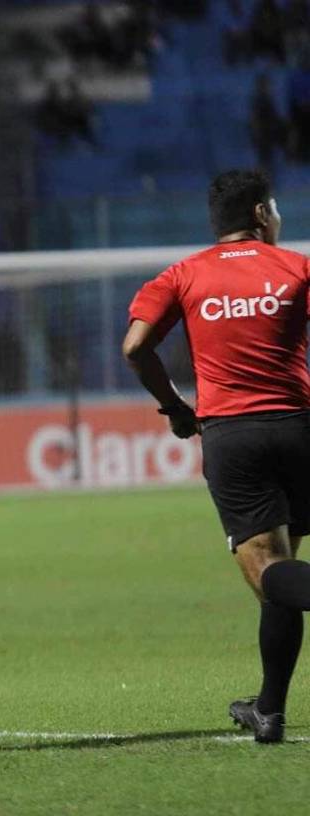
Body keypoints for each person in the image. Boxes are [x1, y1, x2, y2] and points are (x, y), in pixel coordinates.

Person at [123, 169, 310, 743]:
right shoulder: (298, 267)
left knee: (269, 574)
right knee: (282, 572)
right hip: (301, 429)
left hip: (233, 435)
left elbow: (135, 346)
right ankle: (269, 709)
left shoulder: (185, 275)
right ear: (260, 214)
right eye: (274, 208)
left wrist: (177, 407)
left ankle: (271, 708)